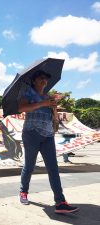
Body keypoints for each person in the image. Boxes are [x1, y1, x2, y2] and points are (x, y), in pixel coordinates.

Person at [18, 70, 78, 213]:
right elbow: (21, 108)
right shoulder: (28, 93)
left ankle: (60, 202)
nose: (44, 80)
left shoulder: (48, 96)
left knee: (53, 168)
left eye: (46, 78)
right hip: (31, 133)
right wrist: (42, 103)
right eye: (41, 78)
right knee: (30, 166)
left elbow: (53, 116)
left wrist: (53, 108)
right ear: (34, 81)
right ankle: (23, 191)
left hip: (48, 134)